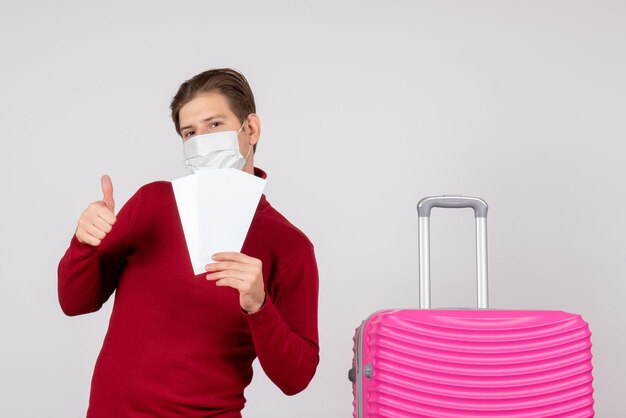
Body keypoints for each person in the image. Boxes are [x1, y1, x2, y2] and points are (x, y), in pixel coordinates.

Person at [58, 68, 320, 417]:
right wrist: (84, 243)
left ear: (251, 129)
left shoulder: (289, 245)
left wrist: (259, 306)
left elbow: (296, 378)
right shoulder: (151, 203)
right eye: (189, 133)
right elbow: (75, 302)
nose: (201, 140)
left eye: (214, 125)